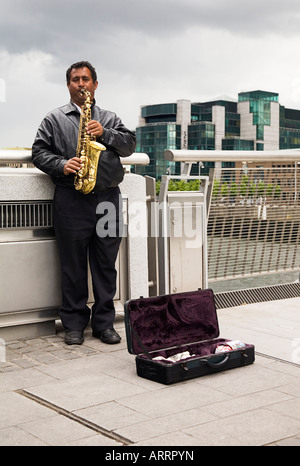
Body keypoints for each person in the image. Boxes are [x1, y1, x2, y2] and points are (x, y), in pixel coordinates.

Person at [32, 61, 136, 345]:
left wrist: (105, 133)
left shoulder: (109, 118)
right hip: (71, 199)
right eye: (75, 79)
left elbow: (129, 145)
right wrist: (62, 164)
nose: (81, 84)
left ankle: (105, 324)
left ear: (95, 85)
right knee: (72, 266)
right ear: (68, 85)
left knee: (105, 265)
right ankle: (74, 324)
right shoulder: (54, 119)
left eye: (86, 79)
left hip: (107, 199)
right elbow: (39, 152)